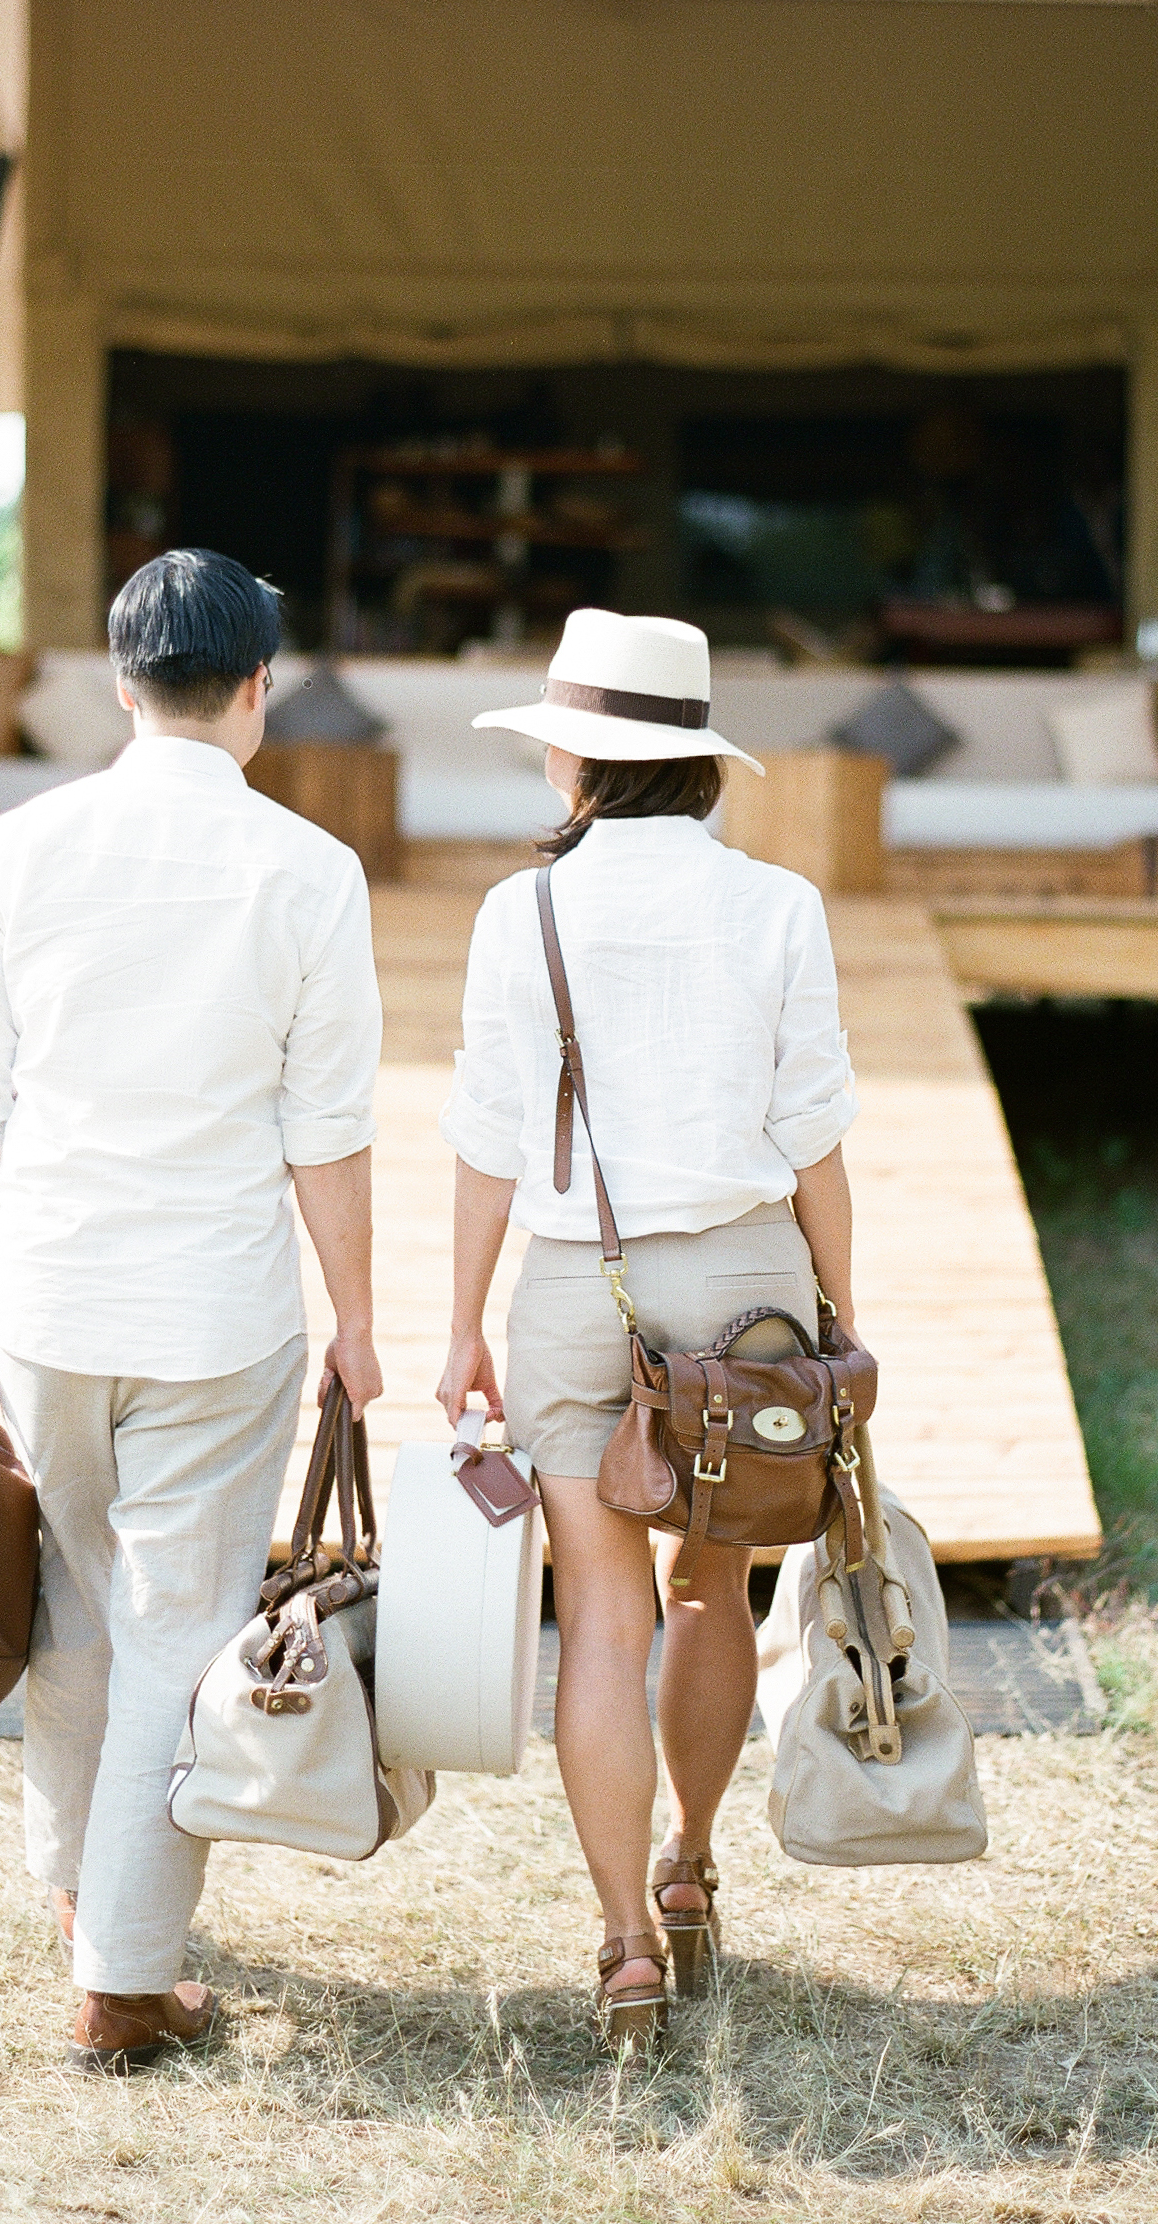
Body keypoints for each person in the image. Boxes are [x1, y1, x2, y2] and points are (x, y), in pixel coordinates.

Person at [0, 549, 384, 2073]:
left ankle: (77, 1887)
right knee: (178, 1627)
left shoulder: (22, 846)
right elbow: (330, 1127)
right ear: (257, 691)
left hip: (45, 1295)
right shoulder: (311, 870)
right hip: (213, 1313)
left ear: (122, 684)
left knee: (76, 1598)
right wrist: (358, 1318)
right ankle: (124, 1975)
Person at [436, 609, 860, 2050]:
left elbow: (488, 1140)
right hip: (749, 1296)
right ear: (695, 758)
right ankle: (688, 1862)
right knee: (711, 1596)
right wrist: (841, 1324)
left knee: (601, 1624)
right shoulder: (779, 904)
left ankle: (621, 1946)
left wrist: (458, 1327)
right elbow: (816, 1151)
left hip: (576, 1285)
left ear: (579, 758)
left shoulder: (523, 911)